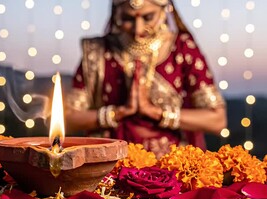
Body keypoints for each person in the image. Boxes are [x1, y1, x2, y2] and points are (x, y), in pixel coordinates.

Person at [65, 0, 227, 158]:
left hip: (173, 168)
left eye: (148, 17)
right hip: (111, 168)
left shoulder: (182, 48)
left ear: (164, 10)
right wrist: (116, 113)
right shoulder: (97, 52)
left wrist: (159, 113)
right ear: (116, 14)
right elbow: (68, 119)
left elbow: (217, 120)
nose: (138, 29)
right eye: (128, 18)